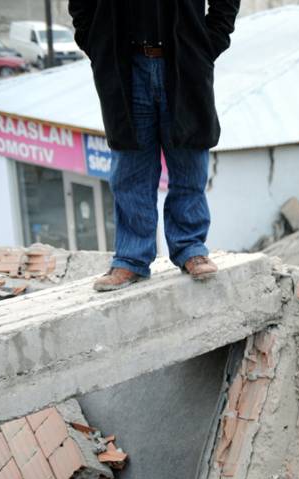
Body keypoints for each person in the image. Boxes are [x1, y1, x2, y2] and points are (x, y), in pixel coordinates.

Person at [68, 0, 241, 292]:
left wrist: (209, 43)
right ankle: (131, 259)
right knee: (130, 170)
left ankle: (190, 249)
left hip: (184, 62)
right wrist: (94, 42)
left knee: (188, 161)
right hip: (127, 65)